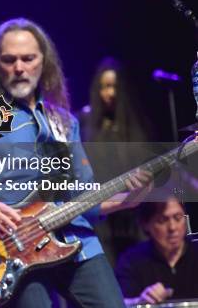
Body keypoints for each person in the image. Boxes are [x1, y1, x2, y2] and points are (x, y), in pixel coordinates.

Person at [0, 17, 151, 307]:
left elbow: (83, 199)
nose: (19, 68)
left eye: (28, 58)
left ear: (44, 63)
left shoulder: (65, 121)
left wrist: (125, 200)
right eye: (9, 60)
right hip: (14, 248)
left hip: (75, 241)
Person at [78, 57, 152, 266]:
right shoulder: (86, 123)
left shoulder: (135, 126)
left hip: (133, 214)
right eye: (103, 87)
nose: (108, 93)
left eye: (113, 87)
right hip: (103, 217)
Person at [115, 198, 198, 306]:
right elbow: (117, 302)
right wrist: (140, 301)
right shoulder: (131, 260)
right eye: (162, 220)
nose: (173, 227)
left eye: (178, 218)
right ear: (145, 224)